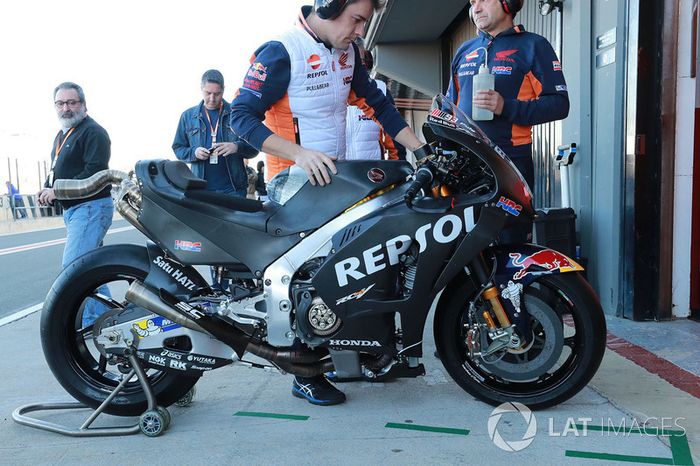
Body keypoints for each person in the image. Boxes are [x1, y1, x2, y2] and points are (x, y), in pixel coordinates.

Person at [230, 0, 431, 406]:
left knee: (362, 261)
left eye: (364, 23)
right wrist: (299, 154)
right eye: (356, 20)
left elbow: (379, 105)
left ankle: (359, 352)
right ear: (327, 6)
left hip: (335, 182)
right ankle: (303, 372)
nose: (359, 30)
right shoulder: (280, 51)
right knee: (310, 278)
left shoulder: (349, 52)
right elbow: (240, 116)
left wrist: (422, 150)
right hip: (293, 182)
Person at [446, 0, 569, 240]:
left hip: (511, 168)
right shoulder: (464, 50)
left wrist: (506, 106)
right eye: (472, 2)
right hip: (465, 169)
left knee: (509, 249)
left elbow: (559, 104)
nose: (476, 8)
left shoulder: (534, 46)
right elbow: (449, 109)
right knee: (465, 254)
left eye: (483, 0)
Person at [173, 69, 259, 291]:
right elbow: (178, 148)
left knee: (238, 240)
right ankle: (219, 288)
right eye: (208, 93)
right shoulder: (187, 116)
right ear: (201, 89)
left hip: (233, 189)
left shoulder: (236, 114)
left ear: (223, 91)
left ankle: (244, 285)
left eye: (217, 94)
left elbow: (254, 148)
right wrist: (194, 152)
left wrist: (236, 147)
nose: (212, 99)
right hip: (204, 191)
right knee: (213, 243)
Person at [37, 82, 114, 327]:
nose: (66, 108)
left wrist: (57, 191)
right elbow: (59, 169)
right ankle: (107, 317)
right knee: (91, 269)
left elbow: (94, 174)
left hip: (91, 208)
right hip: (76, 210)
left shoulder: (94, 132)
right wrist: (47, 188)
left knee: (74, 269)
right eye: (61, 103)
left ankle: (92, 322)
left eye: (72, 102)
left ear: (83, 104)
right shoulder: (63, 134)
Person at [344, 38, 406, 161]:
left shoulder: (380, 89)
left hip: (372, 175)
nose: (355, 65)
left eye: (360, 60)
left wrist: (396, 174)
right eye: (349, 60)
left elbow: (395, 141)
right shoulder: (321, 91)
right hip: (335, 177)